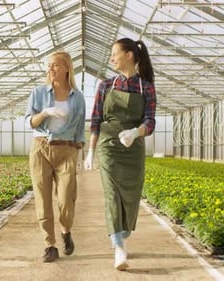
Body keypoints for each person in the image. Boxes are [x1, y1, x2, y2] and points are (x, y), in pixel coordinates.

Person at [83, 38, 156, 270]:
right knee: (112, 194)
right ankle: (118, 247)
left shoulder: (146, 87)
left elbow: (150, 121)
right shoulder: (106, 85)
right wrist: (91, 151)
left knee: (131, 196)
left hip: (132, 147)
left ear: (129, 56)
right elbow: (96, 119)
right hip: (109, 146)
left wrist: (136, 132)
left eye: (115, 53)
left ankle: (123, 234)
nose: (111, 58)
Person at [24, 50, 86, 263]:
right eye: (49, 65)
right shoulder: (39, 93)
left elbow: (79, 129)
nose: (51, 69)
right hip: (41, 147)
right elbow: (29, 122)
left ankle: (66, 230)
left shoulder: (77, 97)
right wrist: (45, 113)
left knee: (67, 197)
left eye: (55, 65)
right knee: (42, 197)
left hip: (67, 149)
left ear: (67, 68)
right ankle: (50, 244)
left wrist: (82, 153)